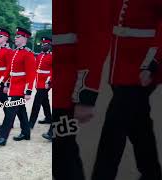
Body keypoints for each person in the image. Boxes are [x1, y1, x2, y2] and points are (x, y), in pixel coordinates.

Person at [91, 1, 162, 179]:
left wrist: (152, 64)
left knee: (114, 126)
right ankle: (151, 173)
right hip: (120, 65)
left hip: (143, 66)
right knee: (138, 124)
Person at [49, 0, 112, 179]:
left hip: (66, 89)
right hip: (56, 86)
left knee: (62, 151)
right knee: (63, 153)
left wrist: (85, 95)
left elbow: (96, 40)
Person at [0, 27, 36, 146]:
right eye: (15, 36)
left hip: (20, 89)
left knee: (10, 112)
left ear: (25, 38)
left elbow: (31, 75)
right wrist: (2, 83)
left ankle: (2, 137)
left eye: (18, 37)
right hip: (13, 87)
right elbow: (8, 72)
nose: (15, 38)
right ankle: (26, 133)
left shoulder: (28, 54)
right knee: (21, 112)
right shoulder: (15, 52)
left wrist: (28, 91)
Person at [28, 37, 52, 128]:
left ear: (49, 45)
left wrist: (48, 81)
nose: (43, 46)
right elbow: (35, 65)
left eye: (45, 44)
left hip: (46, 83)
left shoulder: (51, 56)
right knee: (44, 101)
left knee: (36, 103)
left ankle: (30, 123)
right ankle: (49, 118)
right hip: (38, 82)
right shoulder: (40, 56)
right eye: (42, 44)